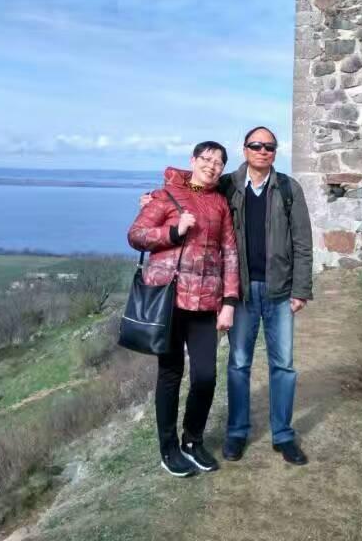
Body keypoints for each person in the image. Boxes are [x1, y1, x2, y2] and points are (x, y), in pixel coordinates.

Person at [128, 141, 239, 478]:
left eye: (219, 162)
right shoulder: (165, 196)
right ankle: (168, 448)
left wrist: (229, 302)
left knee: (205, 376)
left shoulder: (220, 203)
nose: (212, 166)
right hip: (169, 301)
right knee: (170, 375)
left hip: (205, 303)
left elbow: (230, 253)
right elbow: (136, 235)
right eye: (206, 159)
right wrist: (173, 232)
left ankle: (192, 440)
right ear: (193, 161)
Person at [218, 126, 313, 465]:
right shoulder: (227, 185)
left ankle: (283, 435)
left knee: (283, 365)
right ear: (244, 149)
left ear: (275, 152)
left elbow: (303, 243)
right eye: (256, 145)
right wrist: (157, 198)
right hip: (240, 292)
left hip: (280, 292)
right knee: (238, 364)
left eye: (269, 147)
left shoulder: (288, 188)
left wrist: (301, 290)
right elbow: (193, 188)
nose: (263, 151)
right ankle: (237, 432)